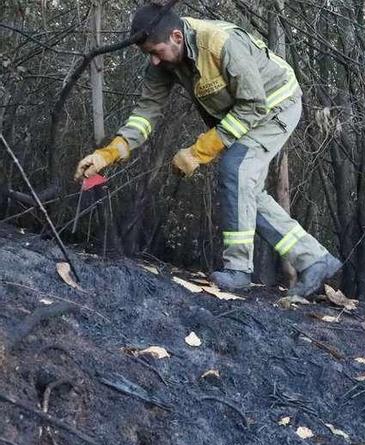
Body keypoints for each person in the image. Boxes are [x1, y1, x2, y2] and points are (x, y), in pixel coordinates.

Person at [74, 4, 341, 296]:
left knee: (234, 170)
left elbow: (254, 105)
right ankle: (312, 258)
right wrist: (108, 153)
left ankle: (238, 269)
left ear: (176, 36)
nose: (152, 61)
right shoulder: (164, 61)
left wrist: (197, 152)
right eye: (147, 53)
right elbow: (146, 113)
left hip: (276, 105)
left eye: (155, 51)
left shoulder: (220, 43)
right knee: (244, 191)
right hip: (247, 113)